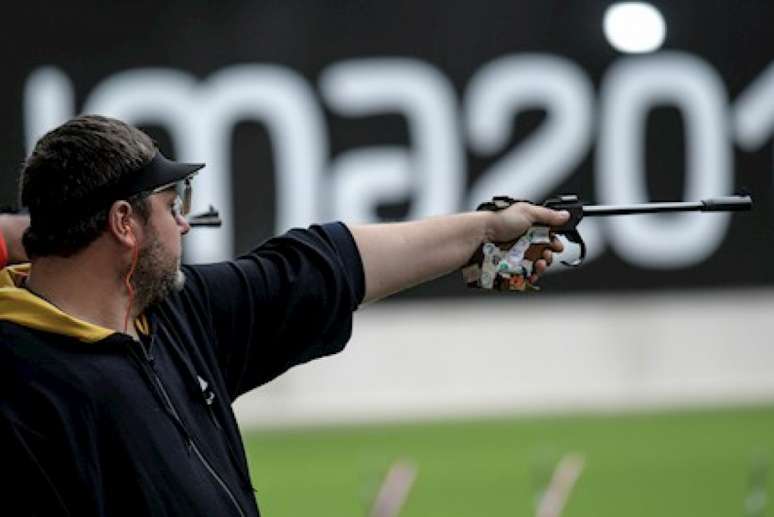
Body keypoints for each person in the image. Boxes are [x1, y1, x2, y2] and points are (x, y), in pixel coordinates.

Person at [0, 114, 568, 516]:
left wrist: (486, 231)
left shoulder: (170, 313)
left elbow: (329, 265)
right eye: (173, 206)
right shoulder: (21, 389)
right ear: (124, 224)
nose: (184, 225)